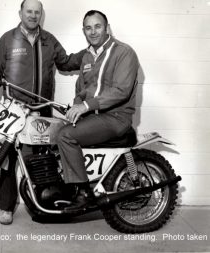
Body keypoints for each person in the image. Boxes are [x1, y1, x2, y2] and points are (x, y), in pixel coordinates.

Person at [0, 0, 85, 224]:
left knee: (42, 159)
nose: (32, 15)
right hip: (13, 112)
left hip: (42, 110)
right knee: (8, 159)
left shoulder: (49, 40)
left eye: (36, 12)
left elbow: (66, 62)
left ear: (41, 15)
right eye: (28, 11)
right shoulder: (7, 40)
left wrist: (89, 54)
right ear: (20, 12)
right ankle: (7, 208)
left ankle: (42, 202)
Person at [57, 10, 139, 210]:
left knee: (66, 136)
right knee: (53, 130)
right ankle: (64, 186)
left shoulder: (123, 52)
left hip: (116, 117)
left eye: (97, 26)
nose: (93, 31)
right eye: (88, 27)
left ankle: (84, 193)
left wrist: (86, 106)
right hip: (94, 117)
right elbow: (82, 89)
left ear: (107, 28)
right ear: (83, 31)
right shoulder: (87, 56)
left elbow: (121, 91)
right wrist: (75, 105)